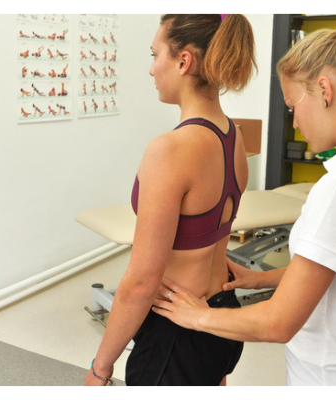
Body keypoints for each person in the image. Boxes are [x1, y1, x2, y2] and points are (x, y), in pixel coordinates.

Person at [152, 17, 336, 386]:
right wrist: (262, 279)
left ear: (324, 89)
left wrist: (196, 317)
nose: (295, 121)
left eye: (292, 105)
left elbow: (277, 323)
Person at [84, 14, 257, 386]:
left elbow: (142, 282)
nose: (150, 69)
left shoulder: (170, 150)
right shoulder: (233, 136)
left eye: (155, 54)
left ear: (184, 61)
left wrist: (101, 368)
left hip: (175, 333)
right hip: (220, 317)